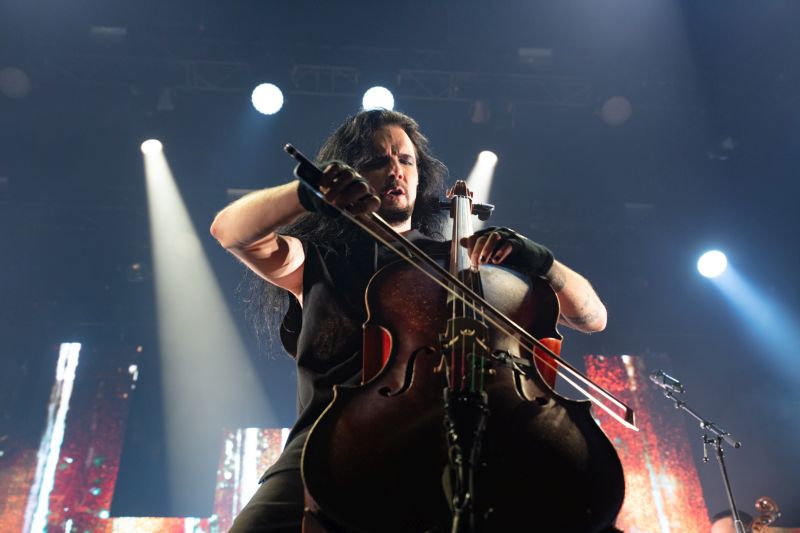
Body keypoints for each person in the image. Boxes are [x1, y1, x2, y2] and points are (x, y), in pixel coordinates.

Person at [210, 108, 609, 532]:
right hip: (331, 449)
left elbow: (591, 317)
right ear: (353, 175)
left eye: (405, 160)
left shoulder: (457, 268)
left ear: (421, 176)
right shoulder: (319, 259)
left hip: (446, 444)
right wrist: (306, 193)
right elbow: (229, 231)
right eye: (377, 161)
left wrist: (545, 265)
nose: (395, 171)